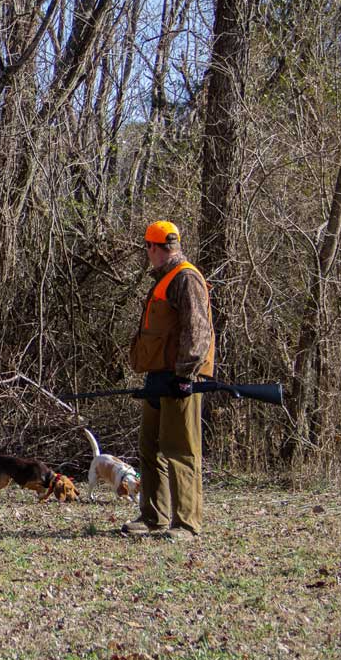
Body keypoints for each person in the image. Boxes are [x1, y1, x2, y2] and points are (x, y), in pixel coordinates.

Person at [122, 221, 215, 542]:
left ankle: (187, 525)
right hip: (158, 376)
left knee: (181, 451)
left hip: (181, 378)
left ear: (153, 247)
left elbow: (198, 329)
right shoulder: (165, 279)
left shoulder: (185, 278)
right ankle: (153, 517)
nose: (147, 253)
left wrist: (186, 375)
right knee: (150, 448)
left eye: (148, 247)